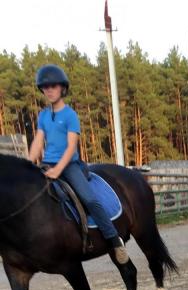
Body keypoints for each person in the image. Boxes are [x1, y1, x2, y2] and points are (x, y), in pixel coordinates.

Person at [28, 64, 129, 263]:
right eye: (45, 87)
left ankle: (114, 239)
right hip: (47, 164)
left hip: (69, 165)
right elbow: (38, 141)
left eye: (53, 86)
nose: (49, 90)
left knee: (89, 199)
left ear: (62, 88)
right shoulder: (43, 115)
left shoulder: (70, 115)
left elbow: (71, 147)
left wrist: (58, 170)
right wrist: (28, 165)